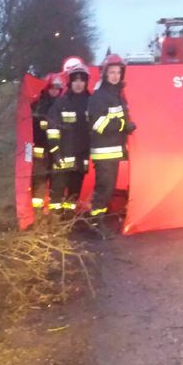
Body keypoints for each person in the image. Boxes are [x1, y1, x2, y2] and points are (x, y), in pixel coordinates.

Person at [87, 53, 136, 237]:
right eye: (112, 72)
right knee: (104, 189)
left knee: (107, 189)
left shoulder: (116, 95)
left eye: (118, 72)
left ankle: (97, 221)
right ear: (105, 74)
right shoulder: (100, 97)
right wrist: (125, 126)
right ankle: (95, 224)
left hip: (113, 150)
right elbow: (98, 124)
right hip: (104, 151)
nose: (115, 75)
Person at [45, 61, 92, 213]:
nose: (78, 84)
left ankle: (68, 218)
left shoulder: (91, 102)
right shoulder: (61, 103)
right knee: (57, 188)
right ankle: (54, 219)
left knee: (75, 190)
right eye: (75, 80)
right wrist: (56, 152)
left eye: (82, 80)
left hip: (81, 156)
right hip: (63, 155)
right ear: (70, 82)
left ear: (86, 82)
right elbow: (52, 129)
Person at [29, 72, 66, 209]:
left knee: (57, 181)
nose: (54, 91)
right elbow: (30, 128)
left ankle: (53, 215)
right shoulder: (37, 105)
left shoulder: (64, 105)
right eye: (52, 88)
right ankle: (37, 212)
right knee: (39, 180)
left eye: (57, 88)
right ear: (46, 88)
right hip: (40, 151)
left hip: (57, 151)